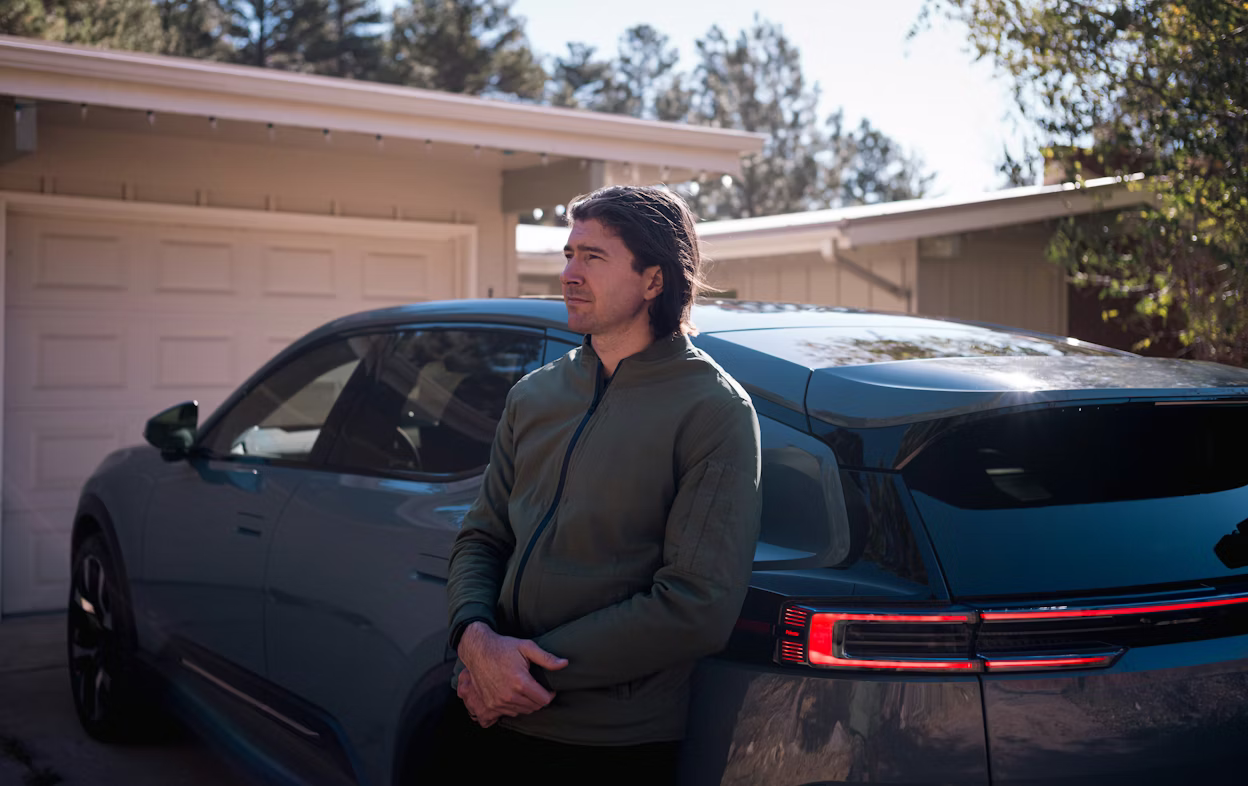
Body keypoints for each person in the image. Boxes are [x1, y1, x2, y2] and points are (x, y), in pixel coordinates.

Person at [433, 185, 762, 785]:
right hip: (491, 717)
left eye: (593, 257)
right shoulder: (534, 395)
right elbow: (482, 537)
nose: (568, 274)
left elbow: (696, 606)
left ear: (654, 281)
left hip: (611, 744)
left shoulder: (714, 410)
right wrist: (475, 639)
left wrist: (523, 673)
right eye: (567, 254)